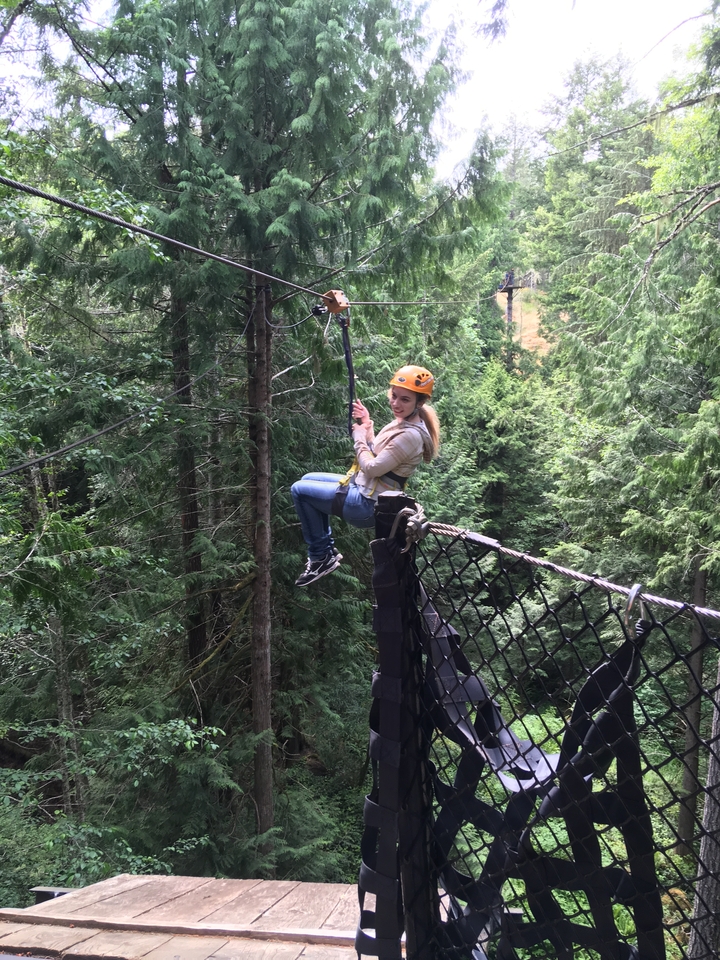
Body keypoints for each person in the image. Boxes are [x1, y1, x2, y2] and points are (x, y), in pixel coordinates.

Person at [291, 365, 440, 586]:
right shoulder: (403, 422)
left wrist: (358, 437)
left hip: (368, 504)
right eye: (394, 396)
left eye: (405, 400)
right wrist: (367, 424)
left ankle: (320, 556)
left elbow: (372, 467)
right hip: (364, 488)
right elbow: (378, 452)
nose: (396, 403)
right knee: (306, 480)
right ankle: (324, 551)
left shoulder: (411, 435)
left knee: (299, 491)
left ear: (420, 403)